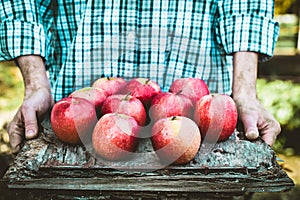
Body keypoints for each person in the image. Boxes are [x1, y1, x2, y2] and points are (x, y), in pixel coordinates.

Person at [0, 0, 281, 153]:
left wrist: (244, 92)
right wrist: (36, 83)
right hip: (78, 117)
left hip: (199, 123)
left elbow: (246, 7)